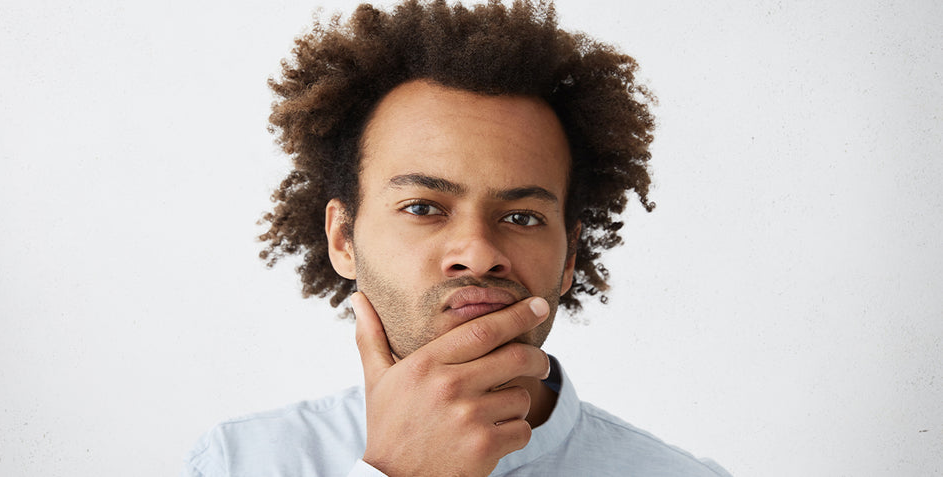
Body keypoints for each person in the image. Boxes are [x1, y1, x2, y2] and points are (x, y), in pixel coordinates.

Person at [183, 1, 731, 475]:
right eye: (423, 208)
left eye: (521, 217)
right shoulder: (241, 461)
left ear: (569, 257)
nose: (478, 253)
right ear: (343, 238)